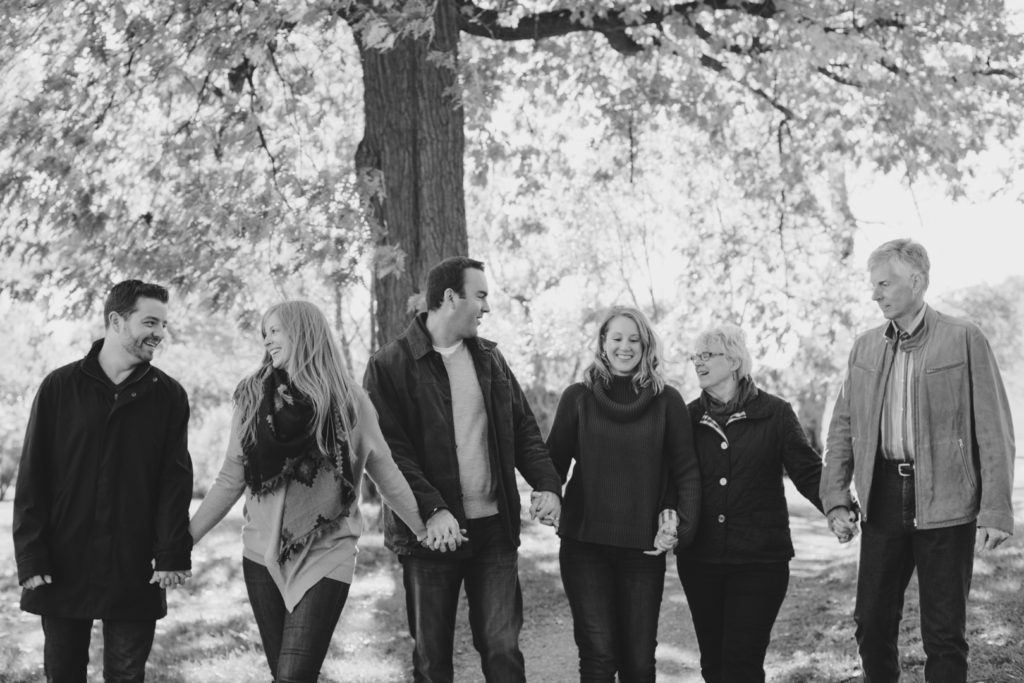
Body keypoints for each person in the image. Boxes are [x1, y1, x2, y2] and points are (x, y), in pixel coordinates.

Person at [188, 300, 428, 682]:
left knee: (293, 676)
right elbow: (231, 478)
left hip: (326, 552)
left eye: (275, 330)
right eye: (264, 332)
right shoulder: (252, 398)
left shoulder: (349, 401)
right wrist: (184, 540)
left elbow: (385, 472)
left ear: (303, 332)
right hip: (260, 557)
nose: (267, 339)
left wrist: (423, 528)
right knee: (285, 673)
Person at [820, 238, 1015, 683]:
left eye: (884, 283)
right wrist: (835, 498)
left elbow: (994, 428)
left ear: (917, 281)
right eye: (873, 284)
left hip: (949, 500)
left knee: (944, 634)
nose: (875, 293)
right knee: (871, 625)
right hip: (883, 498)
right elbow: (842, 428)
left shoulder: (964, 337)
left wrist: (997, 510)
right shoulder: (864, 348)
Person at [362, 255, 562, 682]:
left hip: (494, 530)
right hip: (428, 536)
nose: (487, 307)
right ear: (450, 297)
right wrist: (434, 510)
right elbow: (389, 454)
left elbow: (524, 430)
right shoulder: (389, 366)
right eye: (481, 296)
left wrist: (547, 484)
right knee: (433, 660)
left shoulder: (490, 358)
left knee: (503, 650)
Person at [13, 279, 193, 682]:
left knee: (127, 674)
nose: (159, 334)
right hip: (62, 560)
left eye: (163, 325)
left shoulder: (168, 396)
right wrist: (31, 554)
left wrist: (171, 553)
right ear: (116, 320)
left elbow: (174, 481)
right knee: (63, 673)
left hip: (134, 564)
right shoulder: (59, 388)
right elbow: (32, 476)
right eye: (150, 322)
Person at [546, 306, 700, 682]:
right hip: (584, 546)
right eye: (616, 338)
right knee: (598, 657)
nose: (625, 347)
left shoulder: (668, 401)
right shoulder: (577, 398)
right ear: (602, 343)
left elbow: (686, 472)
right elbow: (552, 464)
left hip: (642, 549)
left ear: (646, 345)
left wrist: (681, 526)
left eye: (634, 339)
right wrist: (548, 495)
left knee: (638, 662)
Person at [676, 324, 825, 683]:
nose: (698, 362)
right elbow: (669, 477)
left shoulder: (775, 412)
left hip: (761, 561)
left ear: (734, 360)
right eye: (696, 356)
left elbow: (807, 471)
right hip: (701, 560)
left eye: (707, 355)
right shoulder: (686, 416)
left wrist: (838, 507)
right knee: (714, 664)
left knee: (742, 664)